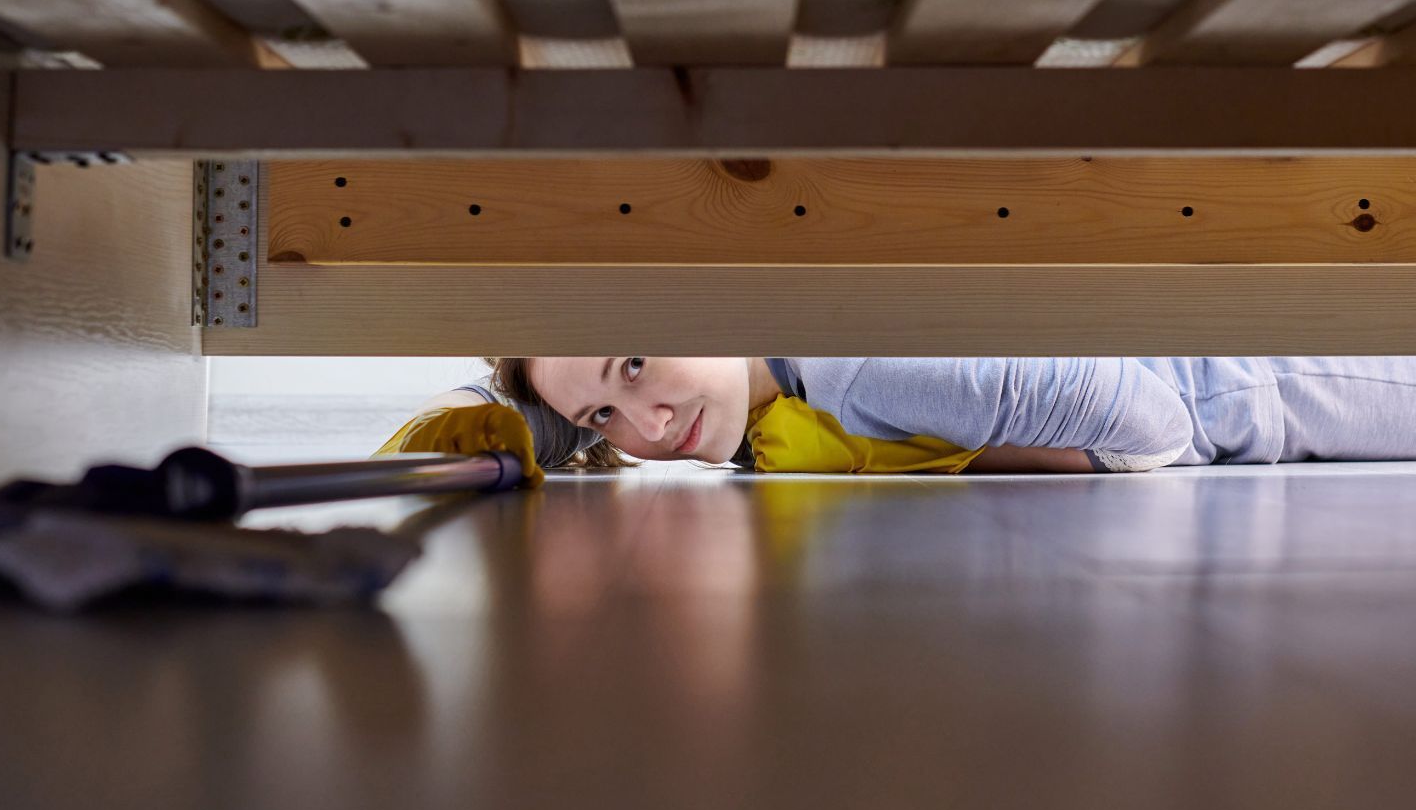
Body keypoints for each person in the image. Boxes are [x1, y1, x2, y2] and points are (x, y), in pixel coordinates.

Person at [374, 356, 1416, 478]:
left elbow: (1149, 425)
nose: (644, 421)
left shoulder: (859, 372)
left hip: (1292, 387)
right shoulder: (761, 412)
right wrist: (480, 412)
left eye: (636, 366)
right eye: (607, 412)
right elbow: (553, 414)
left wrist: (999, 460)